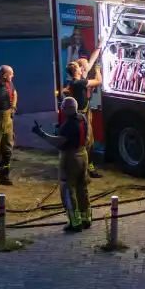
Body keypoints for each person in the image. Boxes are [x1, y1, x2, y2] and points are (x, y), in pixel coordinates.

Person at [32, 97, 92, 233]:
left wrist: (41, 134)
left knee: (67, 189)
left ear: (69, 109)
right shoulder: (82, 118)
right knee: (82, 188)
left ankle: (74, 222)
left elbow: (58, 142)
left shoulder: (68, 125)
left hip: (70, 157)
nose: (61, 109)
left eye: (63, 107)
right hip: (83, 155)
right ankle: (86, 218)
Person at [64, 51, 104, 179]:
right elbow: (98, 81)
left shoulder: (73, 83)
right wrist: (98, 69)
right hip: (84, 117)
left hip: (81, 116)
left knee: (86, 142)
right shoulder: (80, 83)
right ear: (78, 70)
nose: (83, 69)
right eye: (81, 67)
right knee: (88, 143)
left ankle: (86, 167)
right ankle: (86, 169)